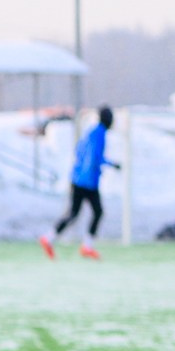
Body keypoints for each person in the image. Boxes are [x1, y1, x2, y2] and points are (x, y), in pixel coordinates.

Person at [42, 106, 119, 260]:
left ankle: (50, 238)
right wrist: (106, 166)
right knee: (96, 212)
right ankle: (85, 246)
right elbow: (94, 157)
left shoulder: (91, 131)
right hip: (87, 182)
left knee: (75, 213)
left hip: (78, 179)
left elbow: (80, 151)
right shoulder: (99, 134)